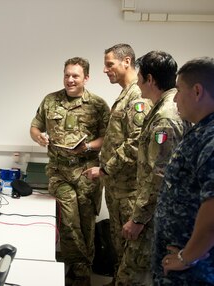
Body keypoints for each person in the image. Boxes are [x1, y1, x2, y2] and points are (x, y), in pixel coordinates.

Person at [30, 57, 110, 285]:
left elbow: (107, 139)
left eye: (75, 75)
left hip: (87, 172)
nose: (70, 79)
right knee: (68, 221)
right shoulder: (50, 100)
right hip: (59, 172)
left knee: (86, 224)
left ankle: (80, 270)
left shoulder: (97, 104)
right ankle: (80, 272)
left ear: (86, 78)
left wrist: (87, 146)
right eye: (67, 75)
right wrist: (39, 137)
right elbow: (35, 126)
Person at [117, 51, 190, 285]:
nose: (137, 83)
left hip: (155, 214)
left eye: (139, 77)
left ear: (149, 79)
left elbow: (160, 173)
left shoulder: (165, 118)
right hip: (157, 211)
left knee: (130, 277)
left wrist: (138, 219)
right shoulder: (163, 108)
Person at [83, 43, 152, 285]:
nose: (105, 69)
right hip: (116, 190)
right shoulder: (124, 95)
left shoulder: (137, 97)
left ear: (127, 62)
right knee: (119, 249)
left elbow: (135, 142)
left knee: (129, 253)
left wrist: (105, 168)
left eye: (110, 64)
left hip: (128, 191)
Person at [153, 57, 214, 285]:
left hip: (193, 272)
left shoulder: (211, 138)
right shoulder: (201, 131)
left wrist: (186, 257)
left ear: (197, 91)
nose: (175, 98)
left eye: (179, 90)